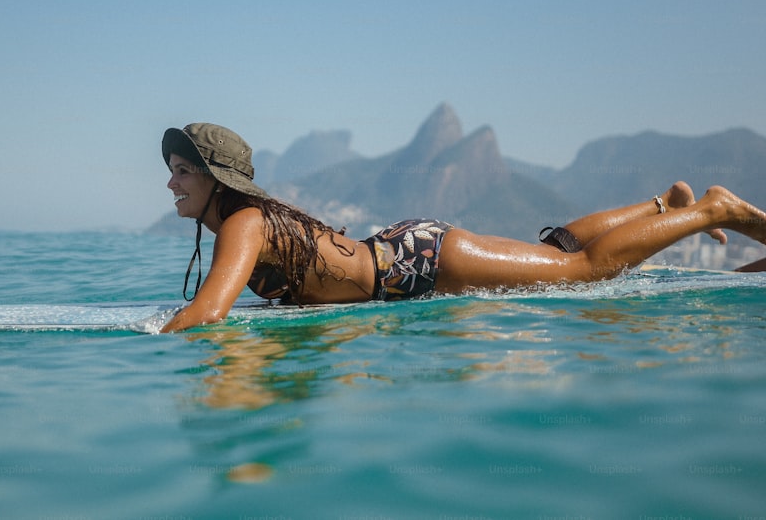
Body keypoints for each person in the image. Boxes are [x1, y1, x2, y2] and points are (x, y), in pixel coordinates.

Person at [159, 123, 766, 333]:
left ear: (219, 179)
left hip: (415, 264)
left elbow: (209, 314)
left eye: (185, 172)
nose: (172, 185)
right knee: (549, 254)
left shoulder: (242, 221)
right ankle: (662, 205)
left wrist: (148, 338)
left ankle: (714, 209)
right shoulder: (241, 222)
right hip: (406, 258)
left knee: (576, 274)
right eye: (173, 172)